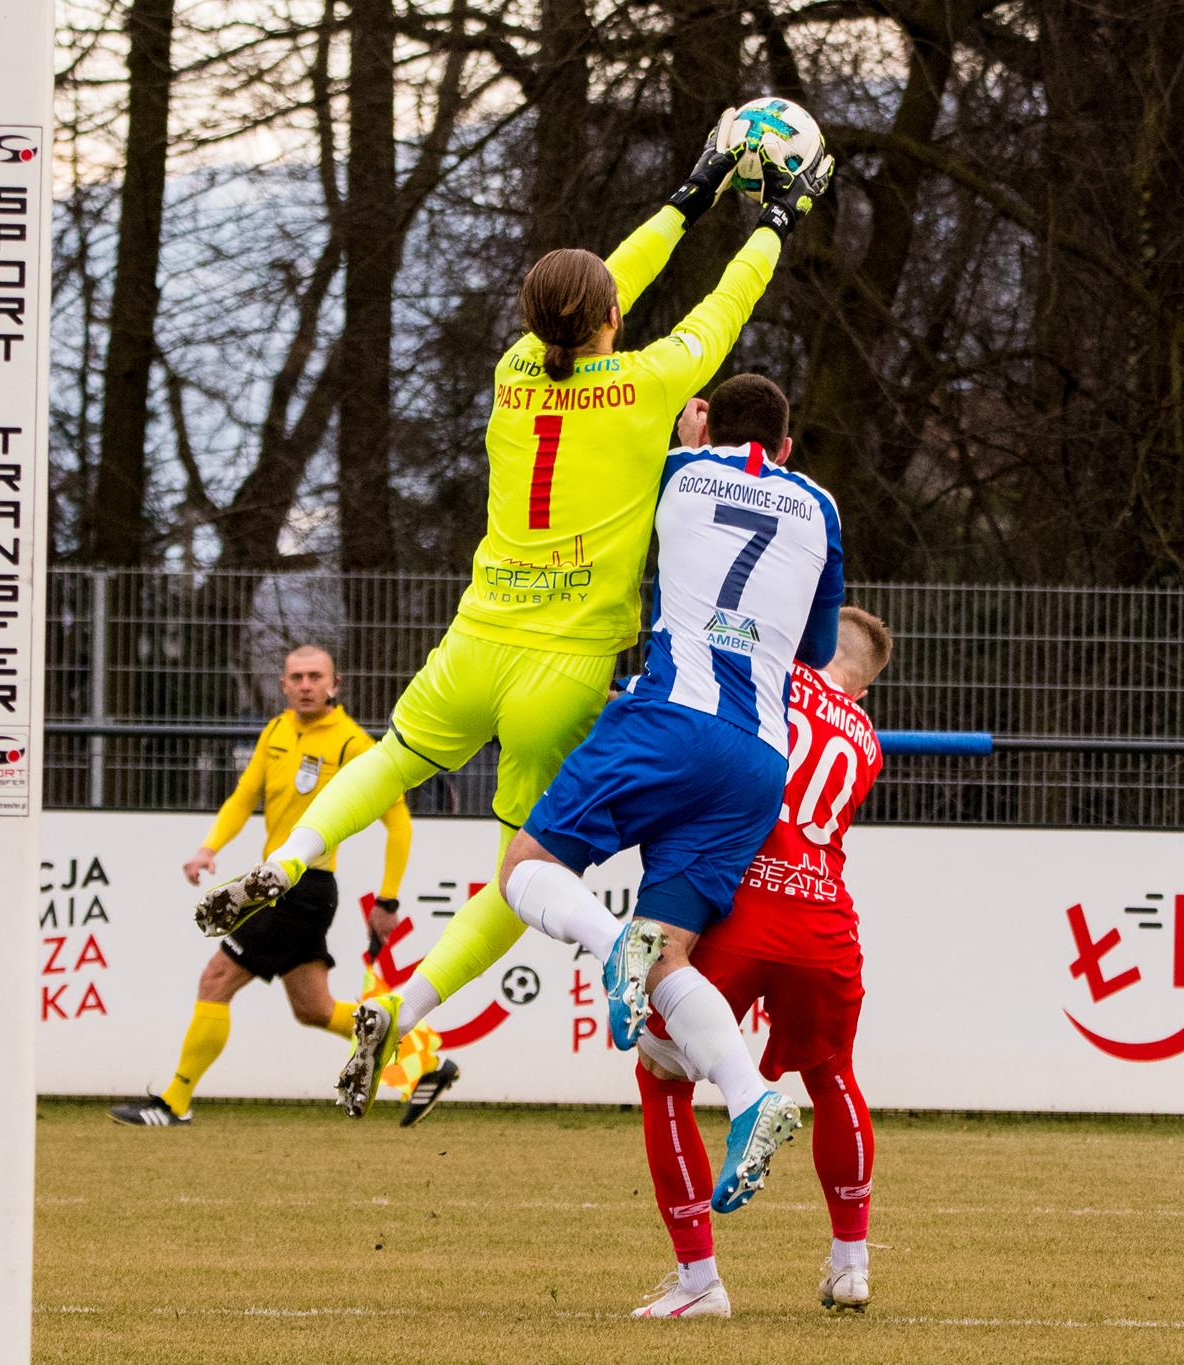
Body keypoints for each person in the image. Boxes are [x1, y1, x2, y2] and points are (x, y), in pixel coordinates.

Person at [195, 130, 836, 1102]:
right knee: (520, 871)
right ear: (613, 316)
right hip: (564, 666)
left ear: (535, 321)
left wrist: (688, 193)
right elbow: (724, 306)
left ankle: (285, 859)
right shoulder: (649, 384)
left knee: (389, 761)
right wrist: (772, 222)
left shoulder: (513, 370)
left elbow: (595, 288)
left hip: (478, 637)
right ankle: (402, 1005)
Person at [485, 370, 845, 1221]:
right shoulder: (821, 506)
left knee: (525, 868)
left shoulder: (679, 468)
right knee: (669, 956)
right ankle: (751, 1096)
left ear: (706, 426)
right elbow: (818, 645)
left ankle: (616, 945)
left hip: (672, 717)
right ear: (787, 446)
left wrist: (686, 445)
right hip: (758, 758)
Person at [630, 605, 892, 1320]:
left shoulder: (770, 679)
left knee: (662, 1076)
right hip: (824, 916)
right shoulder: (866, 740)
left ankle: (698, 1279)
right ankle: (852, 1266)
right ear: (865, 687)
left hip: (740, 902)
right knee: (833, 1074)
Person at [111, 645, 449, 1125]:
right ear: (283, 685)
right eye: (297, 677)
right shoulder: (275, 731)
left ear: (335, 684)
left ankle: (173, 1103)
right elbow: (243, 797)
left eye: (316, 676)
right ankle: (427, 1063)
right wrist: (208, 848)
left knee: (216, 979)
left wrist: (388, 899)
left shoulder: (353, 744)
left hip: (303, 889)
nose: (306, 685)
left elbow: (399, 823)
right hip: (276, 885)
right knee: (314, 1009)